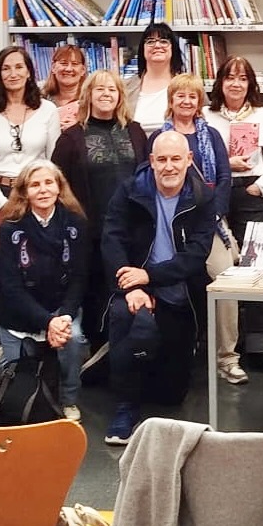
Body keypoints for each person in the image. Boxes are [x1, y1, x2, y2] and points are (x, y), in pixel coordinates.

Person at [100, 130, 215, 446]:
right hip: (134, 288)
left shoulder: (203, 197)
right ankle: (125, 407)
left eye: (176, 159)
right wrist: (131, 288)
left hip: (178, 291)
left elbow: (196, 255)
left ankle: (117, 368)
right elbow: (112, 240)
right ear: (151, 161)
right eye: (161, 159)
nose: (169, 166)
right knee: (127, 317)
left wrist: (148, 276)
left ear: (189, 159)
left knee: (171, 396)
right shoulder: (129, 191)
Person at [150, 74, 241, 383]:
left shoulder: (211, 135)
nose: (187, 101)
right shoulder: (159, 138)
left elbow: (225, 178)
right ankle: (170, 351)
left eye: (193, 96)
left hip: (209, 221)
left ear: (200, 101)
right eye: (181, 95)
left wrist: (211, 214)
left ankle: (227, 357)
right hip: (170, 222)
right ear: (171, 100)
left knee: (226, 279)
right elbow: (150, 179)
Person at [51, 69, 148, 362]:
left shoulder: (136, 131)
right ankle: (98, 358)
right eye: (100, 89)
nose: (106, 94)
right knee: (95, 296)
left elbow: (147, 176)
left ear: (120, 96)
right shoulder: (71, 138)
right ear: (88, 95)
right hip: (89, 232)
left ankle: (128, 355)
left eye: (112, 89)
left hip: (132, 230)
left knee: (129, 292)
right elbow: (59, 185)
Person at [0, 46, 61, 361]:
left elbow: (53, 160)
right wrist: (1, 203)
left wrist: (40, 195)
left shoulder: (47, 110)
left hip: (38, 194)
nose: (13, 73)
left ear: (29, 71)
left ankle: (38, 346)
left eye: (19, 67)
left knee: (36, 269)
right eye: (6, 68)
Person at [204, 56, 263, 374]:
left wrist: (261, 187)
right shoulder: (206, 115)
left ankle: (260, 348)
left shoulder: (261, 114)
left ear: (250, 84)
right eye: (230, 77)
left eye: (242, 78)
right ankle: (227, 350)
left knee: (257, 267)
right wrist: (224, 164)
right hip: (217, 193)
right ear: (220, 82)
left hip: (250, 192)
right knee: (223, 270)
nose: (236, 84)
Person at [0, 161, 89, 422]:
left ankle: (69, 398)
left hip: (61, 309)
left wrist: (63, 317)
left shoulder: (75, 224)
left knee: (74, 339)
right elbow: (11, 287)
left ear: (59, 188)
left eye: (49, 182)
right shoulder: (10, 228)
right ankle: (2, 362)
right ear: (25, 192)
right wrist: (47, 322)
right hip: (20, 313)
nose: (43, 189)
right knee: (15, 396)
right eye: (35, 185)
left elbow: (79, 278)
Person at [125, 22, 182, 135]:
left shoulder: (188, 85)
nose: (157, 45)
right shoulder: (125, 87)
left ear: (173, 48)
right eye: (150, 41)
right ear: (142, 49)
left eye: (164, 41)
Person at [41, 44, 87, 132]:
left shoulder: (91, 101)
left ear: (83, 70)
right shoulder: (40, 99)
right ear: (53, 67)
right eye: (63, 63)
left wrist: (78, 128)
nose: (69, 69)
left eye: (75, 64)